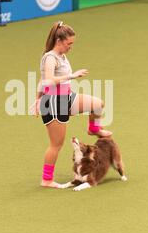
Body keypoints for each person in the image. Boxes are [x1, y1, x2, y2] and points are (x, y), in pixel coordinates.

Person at [30, 21, 113, 188]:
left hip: (66, 98)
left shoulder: (62, 56)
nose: (71, 47)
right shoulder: (50, 58)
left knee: (98, 104)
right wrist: (71, 77)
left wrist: (37, 97)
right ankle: (46, 179)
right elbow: (47, 80)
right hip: (53, 103)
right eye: (69, 43)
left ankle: (94, 129)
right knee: (56, 145)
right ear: (59, 40)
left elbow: (42, 80)